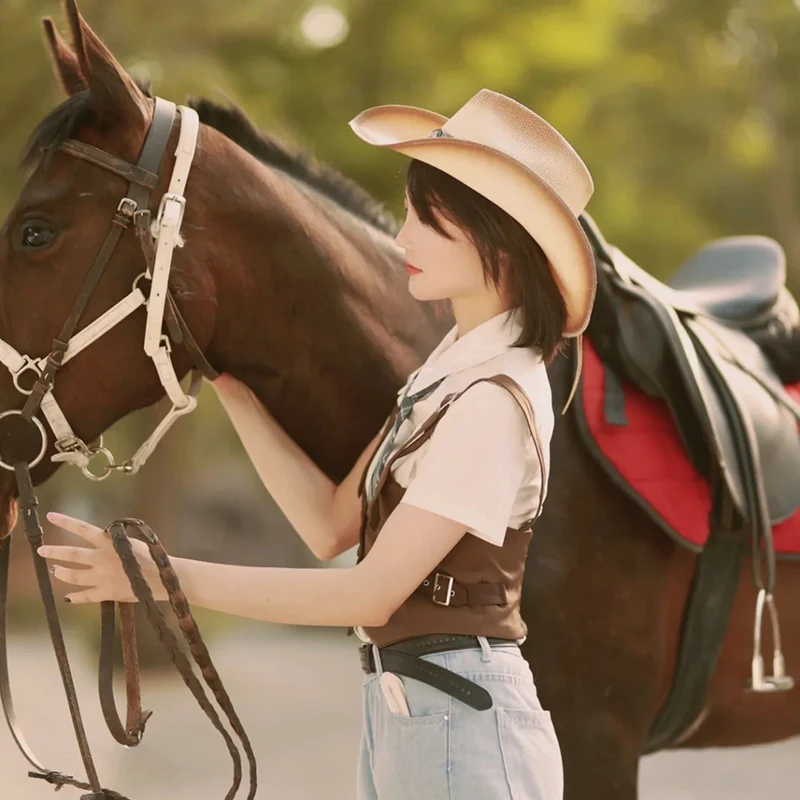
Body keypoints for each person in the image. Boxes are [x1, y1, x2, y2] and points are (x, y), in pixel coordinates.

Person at [38, 88, 595, 800]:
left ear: (500, 241)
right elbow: (331, 524)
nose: (402, 240)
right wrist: (228, 379)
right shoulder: (448, 374)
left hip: (461, 721)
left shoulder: (492, 400)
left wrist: (158, 578)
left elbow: (369, 592)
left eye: (430, 222)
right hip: (417, 713)